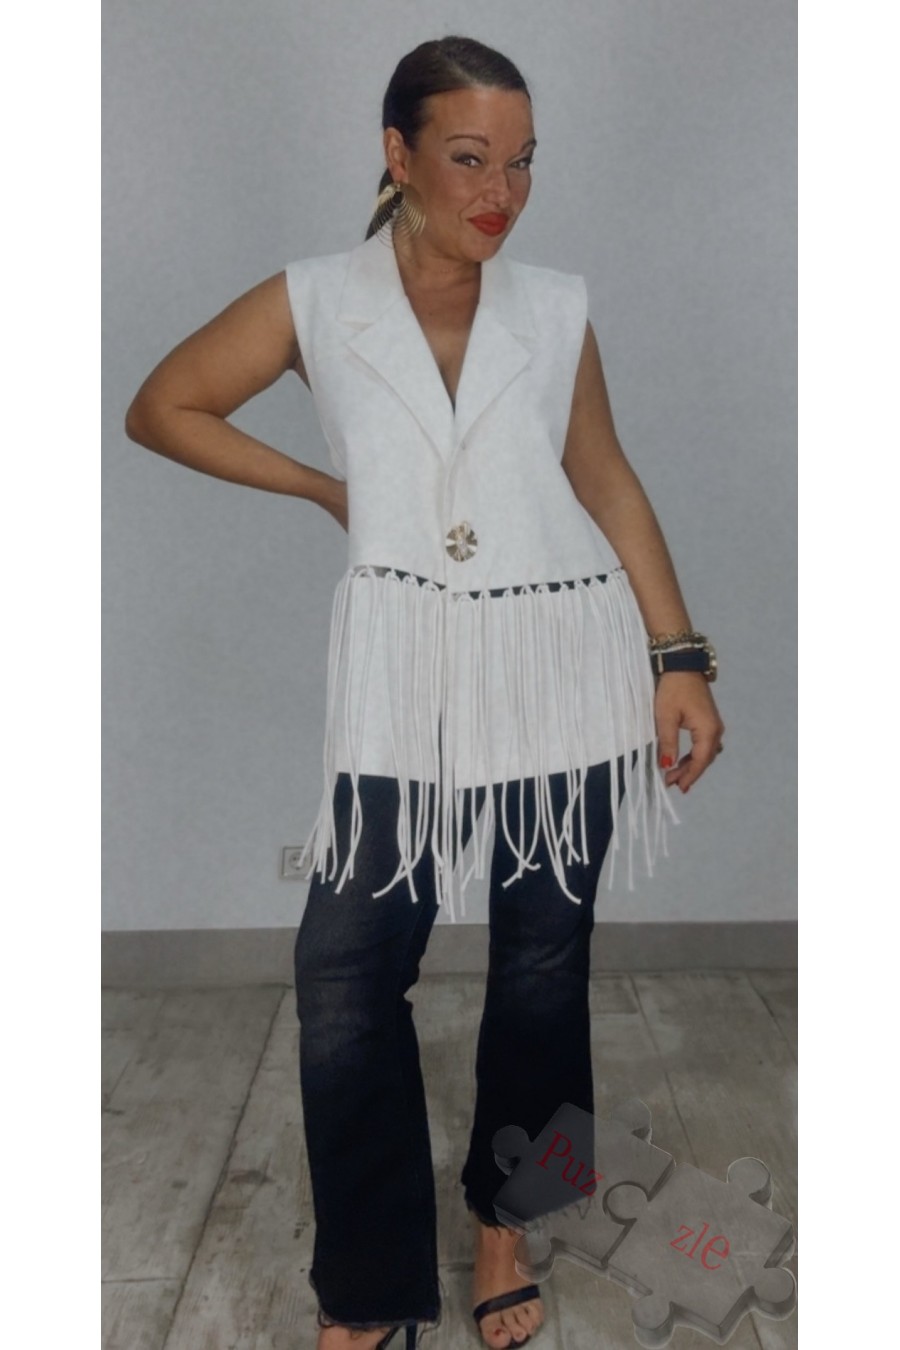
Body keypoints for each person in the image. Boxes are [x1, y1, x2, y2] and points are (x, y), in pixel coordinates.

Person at [124, 34, 724, 1350]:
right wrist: (327, 491)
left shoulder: (553, 305)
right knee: (345, 973)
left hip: (560, 658)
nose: (500, 193)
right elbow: (163, 405)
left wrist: (678, 655)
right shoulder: (314, 299)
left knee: (545, 965)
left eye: (521, 162)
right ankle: (370, 1285)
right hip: (402, 672)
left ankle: (514, 1221)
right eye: (468, 158)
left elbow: (605, 476)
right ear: (396, 156)